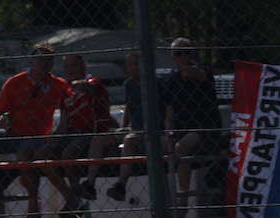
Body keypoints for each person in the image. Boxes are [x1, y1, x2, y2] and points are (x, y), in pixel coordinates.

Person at [0, 43, 71, 218]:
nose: (44, 63)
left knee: (25, 153)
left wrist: (59, 132)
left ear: (52, 65)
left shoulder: (58, 85)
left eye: (48, 60)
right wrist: (0, 120)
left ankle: (33, 207)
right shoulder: (15, 82)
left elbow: (70, 105)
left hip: (36, 136)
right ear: (31, 61)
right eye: (40, 59)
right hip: (11, 134)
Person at [41, 53, 110, 205]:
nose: (70, 70)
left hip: (90, 133)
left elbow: (89, 87)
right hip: (71, 134)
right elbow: (64, 122)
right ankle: (70, 196)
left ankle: (76, 192)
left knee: (68, 153)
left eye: (74, 66)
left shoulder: (94, 81)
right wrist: (54, 137)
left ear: (83, 67)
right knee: (42, 153)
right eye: (67, 67)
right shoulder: (65, 91)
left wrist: (79, 85)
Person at [160, 37, 222, 196]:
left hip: (205, 129)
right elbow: (169, 112)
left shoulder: (204, 70)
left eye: (186, 53)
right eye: (178, 54)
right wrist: (169, 131)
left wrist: (192, 71)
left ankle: (182, 200)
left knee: (181, 147)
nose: (183, 57)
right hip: (181, 129)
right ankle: (166, 203)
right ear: (173, 57)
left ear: (192, 54)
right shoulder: (172, 80)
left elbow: (201, 75)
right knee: (156, 149)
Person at [104, 51, 149, 202]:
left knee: (129, 140)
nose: (134, 67)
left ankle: (121, 185)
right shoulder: (128, 84)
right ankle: (89, 184)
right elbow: (128, 106)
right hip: (133, 128)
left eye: (136, 64)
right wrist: (123, 126)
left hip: (149, 129)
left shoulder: (154, 83)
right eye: (130, 65)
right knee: (99, 139)